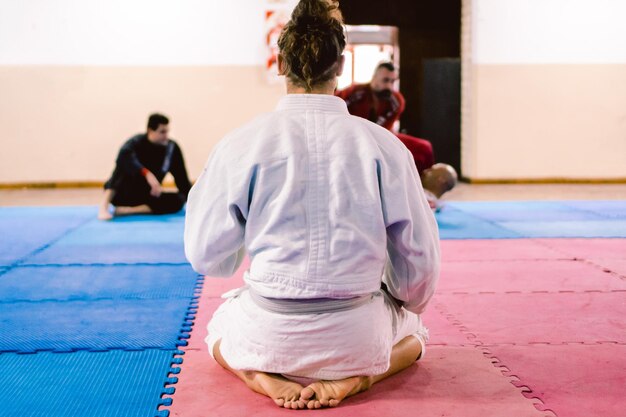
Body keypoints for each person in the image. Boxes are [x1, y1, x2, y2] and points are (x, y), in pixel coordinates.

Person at [184, 0, 439, 410]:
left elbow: (207, 257)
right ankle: (357, 379)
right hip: (357, 332)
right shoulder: (384, 146)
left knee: (217, 329)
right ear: (340, 65)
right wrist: (401, 299)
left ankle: (258, 374)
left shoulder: (240, 144)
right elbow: (419, 265)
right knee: (418, 332)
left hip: (269, 330)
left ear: (281, 62)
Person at [336, 63, 458, 208]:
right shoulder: (353, 93)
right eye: (385, 80)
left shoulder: (396, 101)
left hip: (380, 134)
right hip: (351, 135)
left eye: (393, 81)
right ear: (374, 78)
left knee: (424, 148)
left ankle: (424, 194)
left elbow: (384, 132)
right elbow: (336, 113)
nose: (389, 86)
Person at [98, 113, 192, 220]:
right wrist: (146, 173)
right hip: (125, 194)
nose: (166, 136)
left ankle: (129, 211)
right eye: (162, 132)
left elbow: (182, 179)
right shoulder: (136, 142)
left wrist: (194, 201)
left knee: (179, 199)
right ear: (150, 131)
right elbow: (123, 156)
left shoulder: (172, 148)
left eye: (167, 131)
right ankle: (103, 207)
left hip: (149, 197)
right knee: (122, 165)